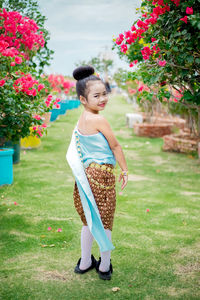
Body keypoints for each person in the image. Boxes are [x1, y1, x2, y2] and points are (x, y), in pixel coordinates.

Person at [66, 65, 128, 280]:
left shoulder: (83, 117)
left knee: (89, 221)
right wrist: (125, 170)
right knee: (105, 221)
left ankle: (84, 262)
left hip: (86, 176)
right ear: (83, 99)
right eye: (97, 95)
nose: (103, 99)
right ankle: (104, 266)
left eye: (105, 93)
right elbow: (116, 146)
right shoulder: (99, 119)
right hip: (102, 177)